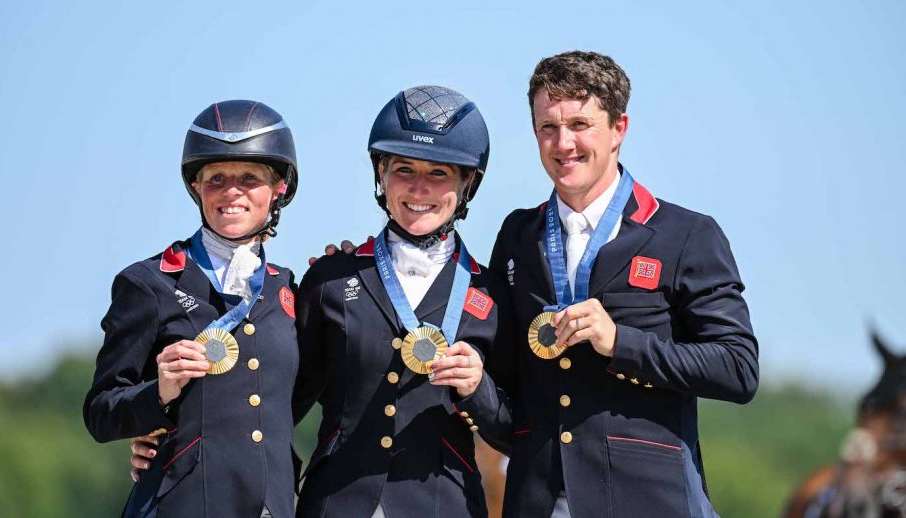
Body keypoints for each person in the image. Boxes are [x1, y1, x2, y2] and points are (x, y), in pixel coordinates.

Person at [455, 51, 760, 517]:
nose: (563, 143)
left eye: (580, 124)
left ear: (619, 129)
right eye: (547, 128)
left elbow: (738, 369)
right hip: (535, 501)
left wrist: (621, 343)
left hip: (650, 501)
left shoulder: (686, 235)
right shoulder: (517, 235)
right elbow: (505, 371)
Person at [84, 100, 301, 518]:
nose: (231, 191)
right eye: (216, 177)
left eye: (250, 178)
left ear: (279, 190)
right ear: (196, 187)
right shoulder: (148, 282)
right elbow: (100, 413)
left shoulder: (287, 288)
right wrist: (158, 394)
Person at [291, 85, 499, 518]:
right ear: (381, 175)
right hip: (337, 503)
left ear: (467, 184)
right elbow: (278, 406)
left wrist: (479, 389)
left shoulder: (492, 295)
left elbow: (517, 430)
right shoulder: (330, 279)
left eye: (439, 173)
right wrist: (169, 439)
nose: (419, 187)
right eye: (404, 169)